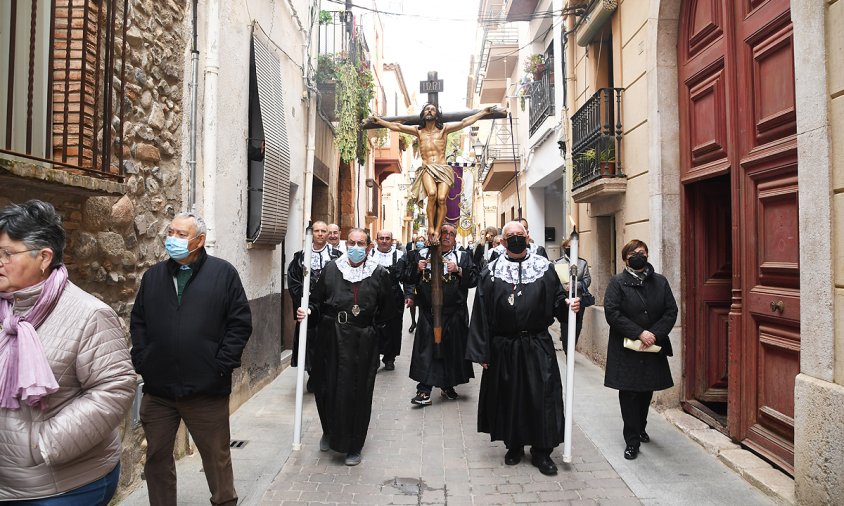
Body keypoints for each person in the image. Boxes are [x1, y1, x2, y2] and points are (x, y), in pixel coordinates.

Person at [0, 200, 135, 504]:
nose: (0, 261)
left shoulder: (89, 314)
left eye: (7, 253)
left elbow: (115, 388)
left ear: (44, 257)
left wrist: (44, 444)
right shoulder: (5, 308)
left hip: (63, 485)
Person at [131, 212, 253, 506]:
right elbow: (139, 322)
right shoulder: (153, 277)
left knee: (216, 456)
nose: (172, 239)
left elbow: (240, 323)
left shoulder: (223, 274)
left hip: (206, 389)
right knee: (157, 457)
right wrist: (143, 358)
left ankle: (224, 501)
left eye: (181, 234)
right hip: (159, 391)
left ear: (199, 241)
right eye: (170, 232)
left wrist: (220, 365)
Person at [466, 221, 580, 476]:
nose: (516, 239)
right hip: (504, 346)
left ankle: (542, 451)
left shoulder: (544, 269)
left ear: (527, 238)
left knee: (542, 396)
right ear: (503, 242)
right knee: (510, 396)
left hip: (537, 344)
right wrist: (482, 352)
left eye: (520, 234)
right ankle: (514, 445)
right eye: (511, 236)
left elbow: (557, 302)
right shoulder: (492, 271)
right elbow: (481, 313)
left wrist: (568, 306)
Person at [296, 228, 394, 466]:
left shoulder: (379, 273)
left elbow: (388, 312)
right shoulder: (332, 269)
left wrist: (376, 339)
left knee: (358, 393)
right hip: (331, 337)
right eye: (352, 242)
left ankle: (354, 445)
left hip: (363, 341)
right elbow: (317, 301)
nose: (356, 247)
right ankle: (329, 430)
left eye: (361, 243)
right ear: (345, 244)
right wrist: (308, 311)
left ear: (369, 247)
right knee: (327, 388)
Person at [368, 104, 496, 244]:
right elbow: (397, 127)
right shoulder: (418, 131)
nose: (429, 110)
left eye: (432, 109)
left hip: (443, 168)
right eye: (427, 109)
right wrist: (380, 122)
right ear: (423, 114)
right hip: (427, 168)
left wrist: (483, 113)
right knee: (432, 194)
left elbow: (464, 122)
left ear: (437, 114)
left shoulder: (444, 130)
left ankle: (438, 229)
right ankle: (430, 227)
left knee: (441, 198)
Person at [604, 239, 677, 461]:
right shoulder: (617, 283)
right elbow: (612, 313)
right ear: (626, 257)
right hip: (627, 348)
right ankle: (631, 440)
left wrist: (654, 333)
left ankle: (641, 426)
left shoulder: (660, 282)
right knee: (629, 392)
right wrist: (639, 333)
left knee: (646, 390)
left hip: (653, 346)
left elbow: (670, 311)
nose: (639, 255)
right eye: (634, 252)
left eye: (643, 252)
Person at [403, 223, 476, 406]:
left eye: (451, 234)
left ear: (455, 238)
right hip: (429, 313)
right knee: (428, 350)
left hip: (454, 313)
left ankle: (447, 384)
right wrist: (417, 269)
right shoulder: (422, 255)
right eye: (444, 232)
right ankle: (424, 390)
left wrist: (458, 270)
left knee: (451, 350)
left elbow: (474, 279)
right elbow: (406, 277)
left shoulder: (463, 256)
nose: (447, 236)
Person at [288, 221, 341, 386]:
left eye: (323, 231)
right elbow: (294, 282)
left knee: (328, 342)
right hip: (308, 308)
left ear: (328, 234)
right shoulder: (300, 257)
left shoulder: (337, 256)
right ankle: (313, 373)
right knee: (310, 342)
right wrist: (303, 302)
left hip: (328, 308)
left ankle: (325, 374)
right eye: (316, 231)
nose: (320, 234)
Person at [368, 229, 406, 370]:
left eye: (387, 238)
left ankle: (390, 358)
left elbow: (406, 277)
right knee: (373, 326)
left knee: (394, 328)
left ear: (392, 240)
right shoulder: (370, 254)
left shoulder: (400, 255)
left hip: (394, 295)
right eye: (381, 238)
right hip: (373, 295)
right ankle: (374, 357)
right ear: (376, 240)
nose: (384, 241)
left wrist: (409, 295)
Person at [554, 237, 594, 352]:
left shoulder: (582, 263)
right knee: (565, 325)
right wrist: (563, 287)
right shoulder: (558, 262)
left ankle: (572, 347)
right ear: (564, 248)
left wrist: (576, 285)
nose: (571, 249)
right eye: (568, 247)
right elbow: (554, 281)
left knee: (577, 326)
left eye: (574, 247)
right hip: (564, 300)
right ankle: (567, 351)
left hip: (579, 299)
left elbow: (587, 280)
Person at [405, 234, 426, 333]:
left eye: (422, 240)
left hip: (423, 282)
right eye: (419, 240)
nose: (420, 242)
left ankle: (421, 323)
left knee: (422, 304)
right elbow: (408, 268)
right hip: (412, 282)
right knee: (412, 304)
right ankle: (413, 322)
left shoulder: (426, 253)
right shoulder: (410, 253)